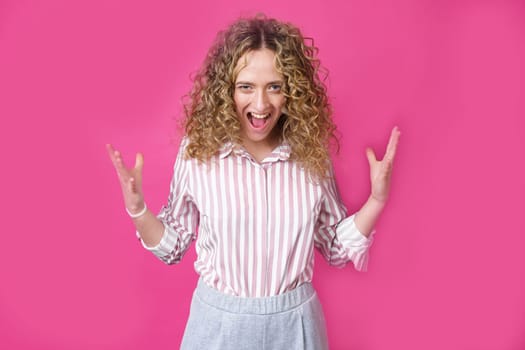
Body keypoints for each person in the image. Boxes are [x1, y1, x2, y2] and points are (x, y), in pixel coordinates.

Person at [107, 14, 400, 350]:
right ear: (226, 90)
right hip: (218, 325)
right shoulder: (199, 152)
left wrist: (376, 201)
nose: (260, 105)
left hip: (296, 326)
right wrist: (137, 209)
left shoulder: (311, 154)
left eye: (274, 86)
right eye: (246, 86)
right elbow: (172, 247)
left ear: (293, 90)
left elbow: (334, 249)